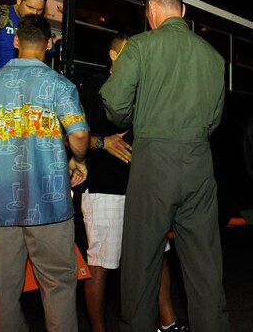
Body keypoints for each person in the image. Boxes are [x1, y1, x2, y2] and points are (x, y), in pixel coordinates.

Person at [99, 0, 230, 332]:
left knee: (142, 262)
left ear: (152, 10)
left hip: (153, 163)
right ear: (183, 10)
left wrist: (138, 116)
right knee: (205, 267)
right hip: (199, 162)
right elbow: (214, 120)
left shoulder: (140, 46)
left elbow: (115, 106)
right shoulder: (214, 58)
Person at [0, 13, 90, 332]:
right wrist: (79, 160)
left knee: (4, 295)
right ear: (49, 45)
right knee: (57, 286)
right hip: (50, 205)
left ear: (16, 42)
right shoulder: (60, 86)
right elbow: (80, 135)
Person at [78, 32, 189, 332]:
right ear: (113, 56)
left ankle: (168, 323)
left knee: (158, 255)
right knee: (101, 263)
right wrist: (103, 143)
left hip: (143, 188)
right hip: (104, 190)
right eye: (129, 54)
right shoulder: (94, 87)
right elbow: (73, 136)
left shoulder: (144, 90)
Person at [0, 0, 48, 74]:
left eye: (40, 10)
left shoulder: (40, 25)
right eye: (30, 7)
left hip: (25, 84)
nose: (34, 13)